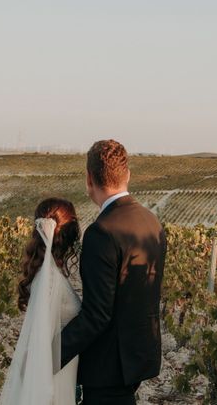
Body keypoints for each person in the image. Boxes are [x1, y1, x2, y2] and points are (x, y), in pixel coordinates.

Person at [60, 139, 167, 405]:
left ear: (89, 178)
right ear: (127, 175)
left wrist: (50, 354)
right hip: (138, 356)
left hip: (109, 365)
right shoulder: (151, 222)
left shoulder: (102, 232)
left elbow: (97, 314)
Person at [0, 198, 82, 405]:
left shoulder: (48, 275)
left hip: (58, 370)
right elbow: (42, 339)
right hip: (54, 378)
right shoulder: (50, 280)